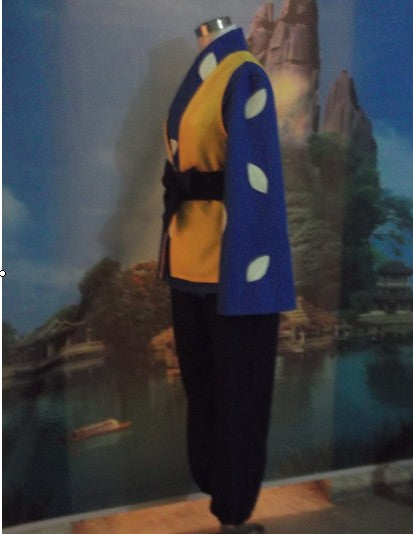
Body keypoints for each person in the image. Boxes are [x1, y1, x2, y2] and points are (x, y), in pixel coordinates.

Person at [158, 16, 296, 533]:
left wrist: (255, 273)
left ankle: (234, 514)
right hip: (189, 259)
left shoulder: (243, 74)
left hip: (234, 268)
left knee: (240, 398)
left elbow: (257, 181)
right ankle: (220, 497)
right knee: (205, 393)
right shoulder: (204, 73)